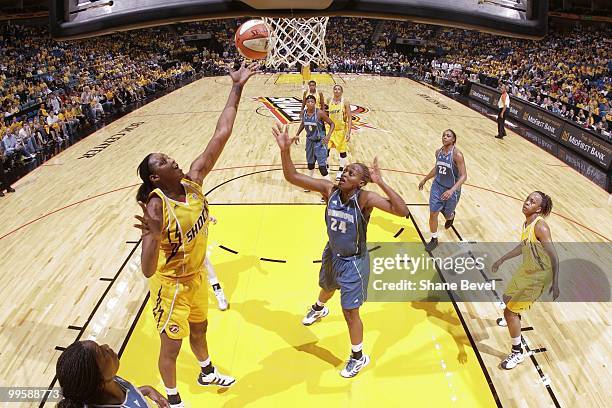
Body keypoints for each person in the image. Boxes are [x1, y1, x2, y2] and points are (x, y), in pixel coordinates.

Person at [133, 61, 258, 408]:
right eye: (164, 161)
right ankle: (173, 400)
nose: (172, 160)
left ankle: (206, 371)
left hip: (196, 276)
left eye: (170, 157)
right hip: (170, 285)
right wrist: (154, 237)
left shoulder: (193, 181)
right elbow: (146, 270)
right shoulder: (156, 209)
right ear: (155, 178)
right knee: (170, 347)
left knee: (201, 330)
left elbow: (221, 134)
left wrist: (237, 87)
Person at [271, 123, 409, 378]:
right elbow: (292, 177)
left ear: (361, 182)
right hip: (332, 252)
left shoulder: (365, 199)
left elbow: (403, 212)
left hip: (354, 262)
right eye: (345, 170)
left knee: (349, 311)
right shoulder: (329, 189)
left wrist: (382, 183)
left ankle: (358, 356)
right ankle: (319, 307)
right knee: (326, 286)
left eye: (352, 172)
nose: (344, 174)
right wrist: (285, 151)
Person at [492, 191, 559, 370]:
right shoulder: (527, 223)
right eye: (528, 199)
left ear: (539, 208)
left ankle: (517, 352)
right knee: (507, 297)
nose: (527, 202)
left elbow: (554, 256)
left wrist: (555, 282)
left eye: (532, 201)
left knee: (509, 312)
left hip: (537, 277)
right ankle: (515, 317)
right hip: (527, 270)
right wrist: (502, 259)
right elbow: (523, 246)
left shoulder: (540, 227)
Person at [56, 340, 169, 408]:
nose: (106, 347)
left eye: (100, 345)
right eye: (103, 354)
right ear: (100, 382)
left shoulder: (110, 380)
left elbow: (124, 396)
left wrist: (147, 390)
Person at [418, 129, 467, 252]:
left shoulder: (457, 155)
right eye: (443, 135)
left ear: (453, 139)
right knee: (433, 213)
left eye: (448, 136)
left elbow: (463, 176)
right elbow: (437, 168)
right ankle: (434, 239)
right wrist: (425, 179)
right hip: (437, 187)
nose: (445, 137)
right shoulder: (438, 152)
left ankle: (451, 216)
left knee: (447, 214)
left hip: (452, 190)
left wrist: (451, 190)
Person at [295, 94, 335, 190]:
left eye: (312, 102)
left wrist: (328, 136)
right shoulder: (304, 113)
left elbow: (332, 123)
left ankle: (330, 189)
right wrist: (297, 134)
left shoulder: (319, 113)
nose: (310, 103)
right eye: (308, 102)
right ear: (305, 104)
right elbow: (303, 123)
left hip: (320, 142)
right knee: (310, 164)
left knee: (322, 168)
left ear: (315, 103)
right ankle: (310, 185)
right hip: (309, 141)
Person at [326, 84, 352, 180]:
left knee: (342, 151)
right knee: (326, 149)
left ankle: (341, 170)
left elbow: (349, 118)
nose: (337, 91)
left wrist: (348, 132)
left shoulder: (345, 102)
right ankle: (327, 167)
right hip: (330, 129)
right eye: (335, 89)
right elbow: (326, 114)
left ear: (341, 91)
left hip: (341, 130)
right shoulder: (329, 100)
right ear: (333, 91)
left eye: (339, 89)